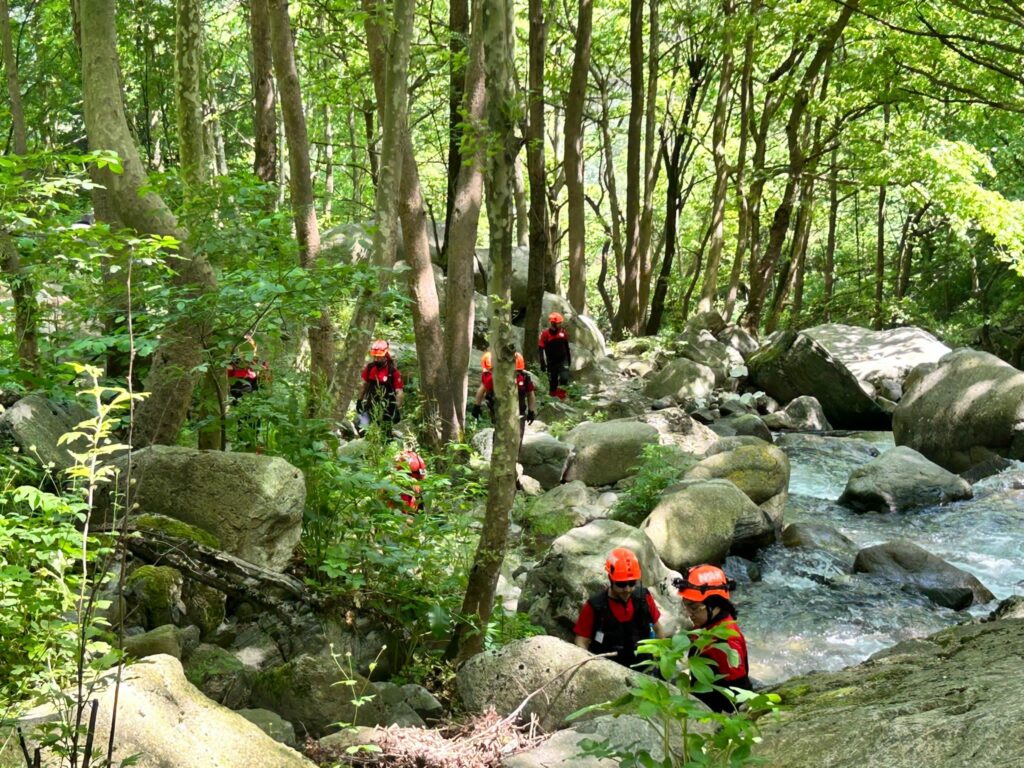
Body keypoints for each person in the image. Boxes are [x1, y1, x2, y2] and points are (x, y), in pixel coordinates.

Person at [574, 547, 668, 671]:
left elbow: (658, 629)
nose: (627, 589)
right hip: (608, 667)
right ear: (610, 578)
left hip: (643, 664)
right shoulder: (595, 606)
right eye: (621, 584)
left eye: (632, 583)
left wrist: (660, 659)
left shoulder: (643, 597)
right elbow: (581, 641)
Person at [675, 564, 751, 713]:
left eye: (694, 607)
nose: (688, 613)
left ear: (715, 605)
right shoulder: (708, 625)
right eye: (686, 606)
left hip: (717, 711)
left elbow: (738, 689)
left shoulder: (726, 640)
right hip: (703, 698)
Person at [469, 351, 536, 444]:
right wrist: (531, 411)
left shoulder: (523, 378)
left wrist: (531, 411)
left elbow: (530, 394)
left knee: (509, 437)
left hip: (512, 412)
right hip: (503, 412)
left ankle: (509, 454)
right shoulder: (493, 378)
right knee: (509, 437)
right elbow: (530, 394)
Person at [356, 339, 405, 436]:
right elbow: (363, 385)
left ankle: (386, 448)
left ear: (385, 354)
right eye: (375, 356)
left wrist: (397, 407)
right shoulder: (370, 368)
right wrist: (359, 400)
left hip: (387, 406)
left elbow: (399, 392)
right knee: (362, 427)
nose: (377, 359)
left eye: (379, 356)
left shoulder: (392, 372)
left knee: (386, 433)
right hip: (371, 404)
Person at [538, 312, 572, 400]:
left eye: (561, 323)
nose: (561, 324)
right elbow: (541, 349)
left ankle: (562, 397)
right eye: (559, 323)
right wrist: (542, 363)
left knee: (564, 378)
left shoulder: (563, 332)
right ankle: (553, 399)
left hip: (562, 360)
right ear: (553, 323)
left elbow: (566, 347)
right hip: (551, 362)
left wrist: (569, 359)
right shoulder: (545, 334)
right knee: (553, 381)